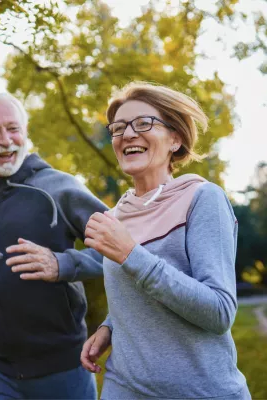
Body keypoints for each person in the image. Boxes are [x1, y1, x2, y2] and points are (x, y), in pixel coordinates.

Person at [81, 82, 251, 400]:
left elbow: (219, 312)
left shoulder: (202, 198)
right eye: (118, 128)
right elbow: (136, 294)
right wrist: (111, 326)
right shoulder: (116, 215)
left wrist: (131, 254)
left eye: (143, 123)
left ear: (175, 139)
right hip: (123, 389)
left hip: (201, 392)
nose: (127, 134)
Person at [0, 92, 108, 399]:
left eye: (13, 128)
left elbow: (122, 250)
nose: (6, 140)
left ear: (25, 133)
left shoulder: (60, 187)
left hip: (62, 367)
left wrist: (63, 264)